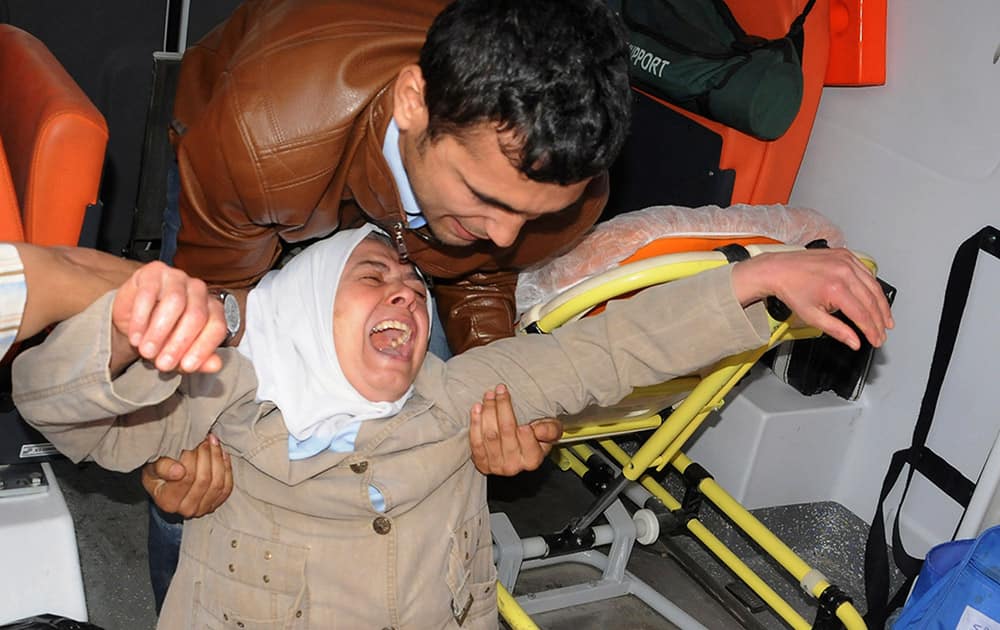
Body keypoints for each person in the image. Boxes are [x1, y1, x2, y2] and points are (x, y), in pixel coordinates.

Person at [13, 225, 892, 628]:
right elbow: (59, 410)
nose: (405, 290)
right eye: (372, 275)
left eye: (413, 287)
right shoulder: (222, 396)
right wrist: (124, 332)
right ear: (305, 305)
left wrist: (762, 279)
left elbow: (612, 349)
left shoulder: (459, 389)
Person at [143, 0, 633, 597]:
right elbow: (209, 311)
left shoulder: (567, 189)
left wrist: (504, 395)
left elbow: (481, 269)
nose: (508, 235)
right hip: (261, 156)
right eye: (485, 197)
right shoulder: (259, 137)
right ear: (413, 102)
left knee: (433, 422)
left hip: (356, 176)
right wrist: (173, 439)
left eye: (532, 215)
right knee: (198, 464)